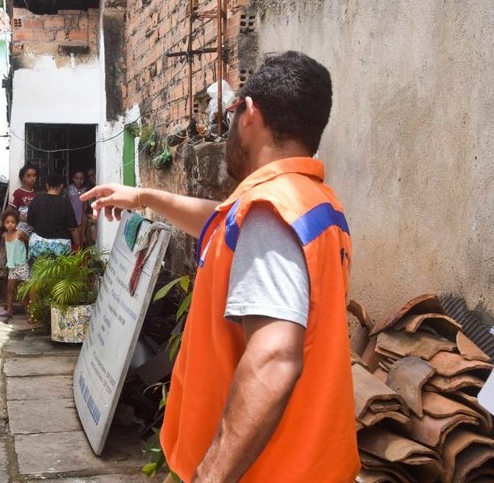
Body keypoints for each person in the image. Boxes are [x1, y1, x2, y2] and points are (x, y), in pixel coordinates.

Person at [83, 52, 358, 482]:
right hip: (307, 460)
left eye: (230, 113)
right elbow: (222, 221)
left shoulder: (270, 213)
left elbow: (274, 358)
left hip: (265, 471)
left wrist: (209, 475)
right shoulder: (311, 205)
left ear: (249, 114)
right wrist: (143, 197)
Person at [28, 172, 81, 260]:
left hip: (37, 247)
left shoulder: (37, 199)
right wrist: (78, 248)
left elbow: (30, 223)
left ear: (47, 185)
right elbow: (73, 228)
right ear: (61, 186)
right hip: (59, 249)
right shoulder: (65, 203)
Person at [0, 208, 29, 320]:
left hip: (22, 265)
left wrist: (26, 257)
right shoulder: (4, 236)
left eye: (13, 222)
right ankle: (9, 309)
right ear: (4, 224)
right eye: (7, 222)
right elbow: (5, 249)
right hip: (12, 266)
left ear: (17, 223)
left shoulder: (20, 234)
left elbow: (28, 243)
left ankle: (29, 311)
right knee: (10, 288)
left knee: (24, 290)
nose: (10, 224)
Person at [10, 163, 38, 234]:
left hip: (33, 231)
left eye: (34, 175)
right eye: (29, 176)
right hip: (20, 231)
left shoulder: (36, 194)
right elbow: (10, 211)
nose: (32, 178)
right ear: (23, 177)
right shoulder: (18, 193)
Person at [67, 171, 88, 247]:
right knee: (73, 242)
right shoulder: (69, 189)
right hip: (71, 218)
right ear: (73, 178)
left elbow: (85, 208)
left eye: (81, 179)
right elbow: (67, 203)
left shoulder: (85, 190)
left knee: (80, 240)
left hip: (81, 219)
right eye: (77, 178)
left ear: (84, 179)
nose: (79, 181)